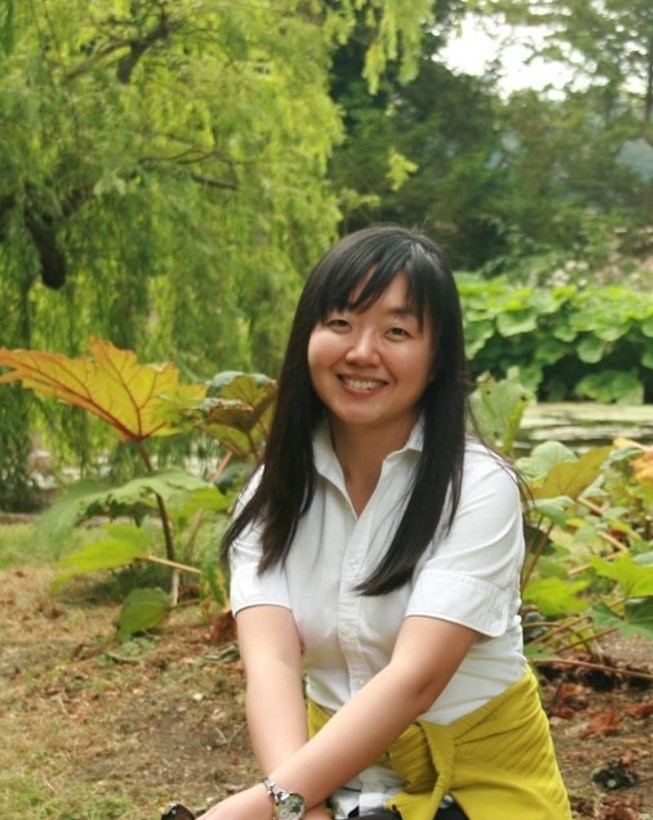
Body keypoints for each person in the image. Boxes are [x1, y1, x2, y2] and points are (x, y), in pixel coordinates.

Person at [201, 226, 571, 820]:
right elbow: (271, 664)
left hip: (479, 787)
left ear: (437, 357)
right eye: (340, 323)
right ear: (307, 337)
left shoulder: (478, 488)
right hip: (331, 783)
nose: (362, 352)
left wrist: (262, 805)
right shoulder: (271, 493)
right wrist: (299, 807)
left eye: (397, 331)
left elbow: (415, 680)